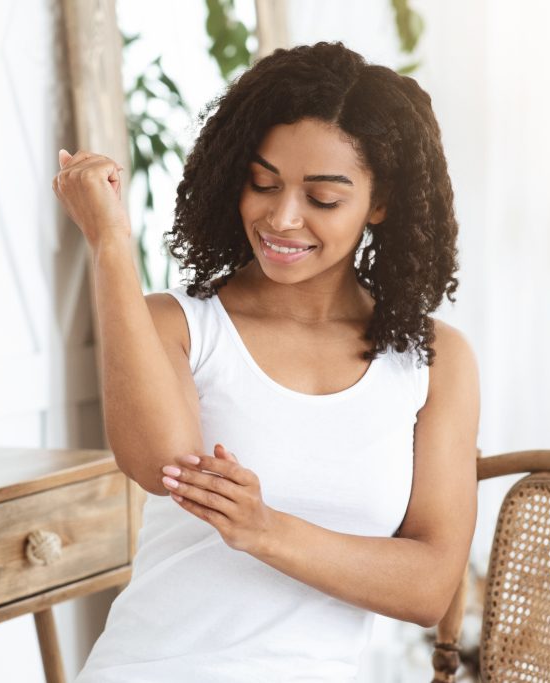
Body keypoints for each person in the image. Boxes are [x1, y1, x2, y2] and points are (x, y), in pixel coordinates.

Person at [52, 40, 480, 683]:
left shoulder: (433, 362)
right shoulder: (181, 326)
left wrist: (265, 529)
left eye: (323, 198)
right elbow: (158, 463)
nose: (282, 218)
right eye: (263, 183)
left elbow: (428, 589)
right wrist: (110, 241)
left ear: (380, 202)